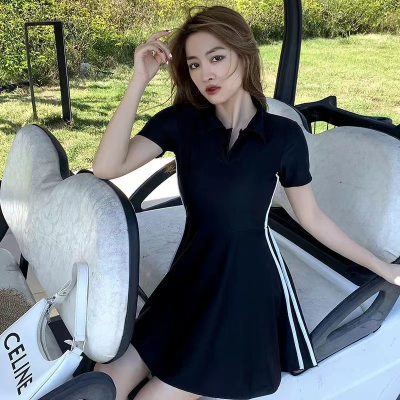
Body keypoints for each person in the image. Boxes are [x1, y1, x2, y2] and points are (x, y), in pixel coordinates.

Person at [92, 5, 400, 400]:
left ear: (244, 55)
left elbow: (312, 218)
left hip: (245, 287)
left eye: (217, 57)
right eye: (194, 64)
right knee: (105, 380)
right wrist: (139, 80)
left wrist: (383, 268)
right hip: (191, 274)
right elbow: (107, 166)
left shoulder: (282, 137)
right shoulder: (183, 122)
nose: (206, 74)